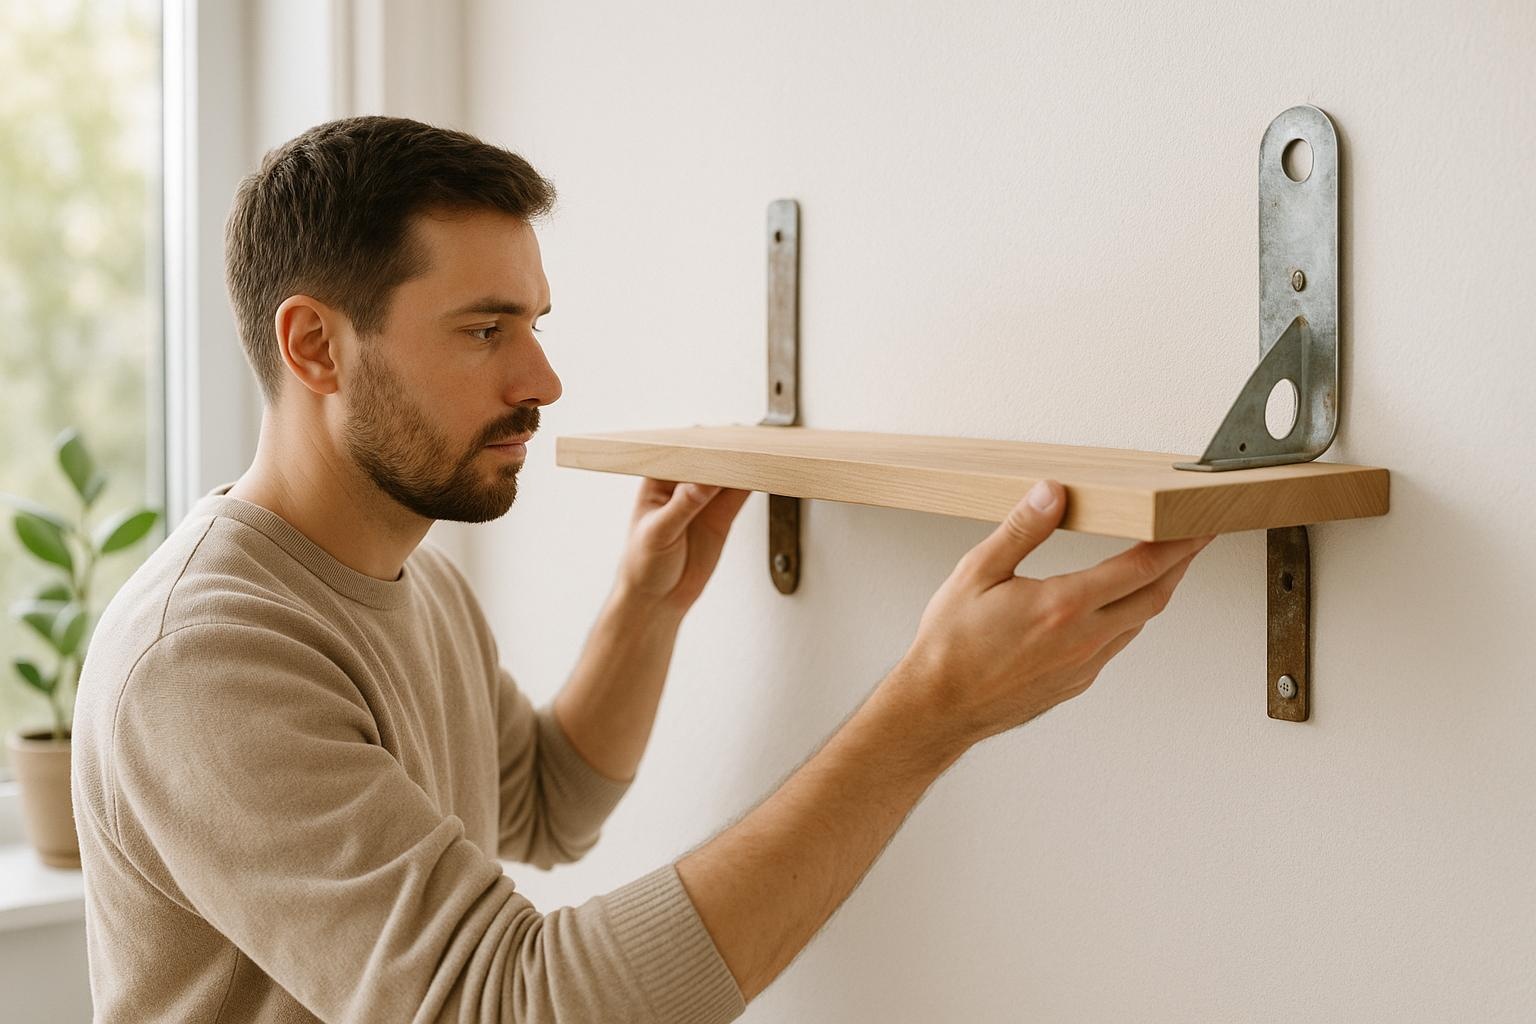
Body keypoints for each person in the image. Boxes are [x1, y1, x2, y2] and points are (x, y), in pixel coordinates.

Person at [71, 115, 1214, 1023]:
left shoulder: (414, 579)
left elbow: (543, 806)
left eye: (535, 321)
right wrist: (928, 713)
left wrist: (647, 605)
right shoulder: (206, 659)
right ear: (316, 344)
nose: (544, 377)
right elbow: (507, 1007)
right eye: (484, 330)